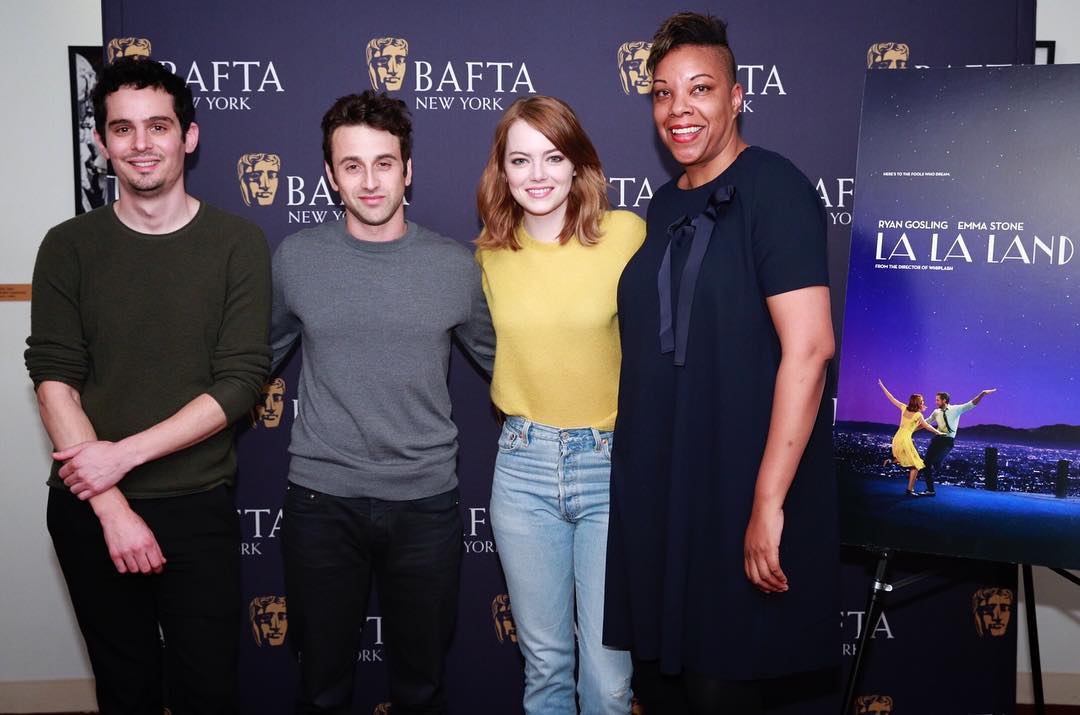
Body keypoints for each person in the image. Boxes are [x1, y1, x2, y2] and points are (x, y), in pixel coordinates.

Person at [602, 13, 839, 713]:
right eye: (663, 93)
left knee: (721, 689)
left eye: (700, 89)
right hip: (663, 494)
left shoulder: (776, 189)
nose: (679, 109)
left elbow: (810, 349)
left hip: (737, 489)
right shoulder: (662, 204)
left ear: (736, 97)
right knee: (664, 693)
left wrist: (766, 502)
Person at [25, 56, 271, 713]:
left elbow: (240, 381)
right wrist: (111, 504)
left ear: (189, 136)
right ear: (101, 142)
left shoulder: (238, 243)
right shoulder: (68, 246)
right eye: (123, 128)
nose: (141, 144)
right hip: (89, 508)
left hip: (195, 502)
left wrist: (122, 455)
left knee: (208, 692)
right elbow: (54, 382)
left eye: (158, 126)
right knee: (126, 689)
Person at [270, 90, 495, 714]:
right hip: (321, 502)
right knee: (320, 688)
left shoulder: (454, 267)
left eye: (384, 163)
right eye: (352, 165)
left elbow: (508, 366)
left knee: (421, 687)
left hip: (425, 504)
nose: (369, 182)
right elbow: (248, 364)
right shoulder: (296, 260)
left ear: (408, 170)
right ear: (330, 175)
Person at [475, 96, 646, 714]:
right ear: (503, 170)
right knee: (545, 668)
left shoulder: (626, 235)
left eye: (552, 157)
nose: (538, 174)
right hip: (523, 467)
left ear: (578, 163)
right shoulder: (491, 255)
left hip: (608, 467)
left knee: (609, 679)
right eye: (521, 160)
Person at [920, 388, 997, 495]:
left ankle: (937, 466)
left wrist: (982, 394)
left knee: (936, 462)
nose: (935, 402)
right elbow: (926, 422)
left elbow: (971, 404)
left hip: (948, 440)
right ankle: (930, 490)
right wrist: (911, 428)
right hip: (937, 439)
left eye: (937, 400)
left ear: (944, 400)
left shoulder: (956, 409)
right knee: (926, 463)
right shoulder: (936, 412)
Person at [877, 381, 943, 496]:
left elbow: (891, 398)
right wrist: (938, 432)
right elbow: (926, 426)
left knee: (904, 458)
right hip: (906, 439)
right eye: (922, 402)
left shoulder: (904, 408)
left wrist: (882, 386)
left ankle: (890, 461)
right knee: (916, 465)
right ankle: (909, 490)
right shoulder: (918, 415)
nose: (924, 403)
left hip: (897, 437)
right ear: (918, 403)